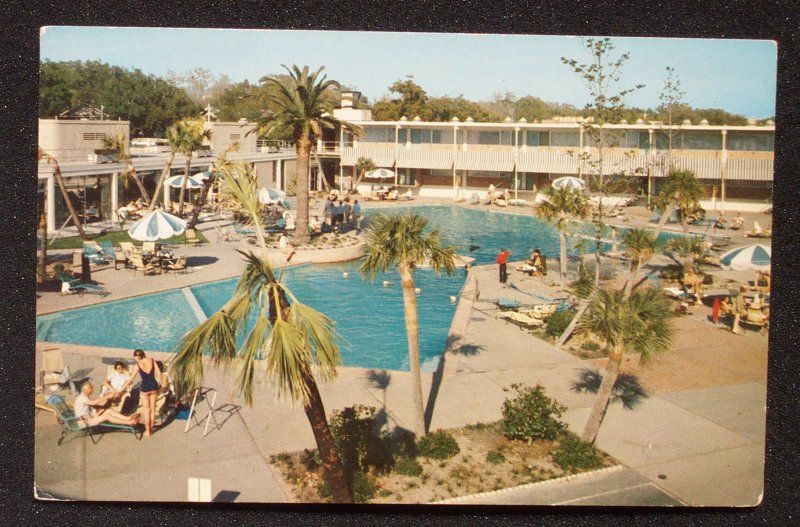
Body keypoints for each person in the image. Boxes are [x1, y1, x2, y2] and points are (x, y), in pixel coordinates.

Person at [122, 349, 162, 437]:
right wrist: (159, 384)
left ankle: (148, 432)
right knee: (153, 409)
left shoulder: (138, 365)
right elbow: (159, 373)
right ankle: (150, 430)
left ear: (138, 357)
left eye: (136, 358)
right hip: (154, 386)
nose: (136, 359)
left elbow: (131, 379)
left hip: (145, 388)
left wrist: (122, 389)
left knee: (147, 410)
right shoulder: (151, 360)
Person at [74, 383, 140, 428]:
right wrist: (107, 397)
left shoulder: (84, 396)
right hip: (84, 422)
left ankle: (128, 418)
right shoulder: (82, 398)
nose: (92, 390)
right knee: (107, 416)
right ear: (85, 389)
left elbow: (94, 405)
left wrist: (102, 407)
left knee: (108, 411)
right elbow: (93, 403)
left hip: (89, 417)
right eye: (91, 388)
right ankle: (129, 422)